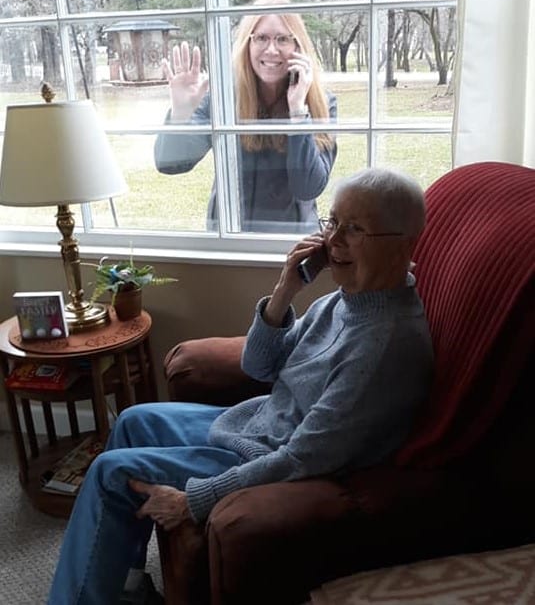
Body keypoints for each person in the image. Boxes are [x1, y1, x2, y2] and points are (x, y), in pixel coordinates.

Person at [47, 167, 434, 605]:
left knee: (109, 472)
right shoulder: (344, 301)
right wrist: (285, 289)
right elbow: (260, 365)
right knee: (135, 421)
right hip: (261, 425)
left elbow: (304, 456)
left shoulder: (385, 346)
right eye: (332, 222)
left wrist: (195, 500)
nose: (334, 241)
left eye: (356, 229)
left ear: (405, 245)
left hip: (276, 458)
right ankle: (118, 582)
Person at [154, 0, 337, 233]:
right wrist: (180, 115)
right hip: (229, 238)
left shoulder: (322, 102)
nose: (271, 50)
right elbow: (169, 165)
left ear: (298, 46)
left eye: (282, 39)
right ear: (247, 44)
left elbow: (308, 188)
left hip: (291, 244)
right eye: (261, 38)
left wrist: (298, 111)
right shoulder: (224, 99)